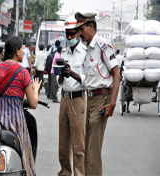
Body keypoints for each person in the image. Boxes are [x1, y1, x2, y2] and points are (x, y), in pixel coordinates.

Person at [66, 12, 120, 175]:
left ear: (91, 26)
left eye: (81, 29)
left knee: (93, 152)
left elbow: (117, 74)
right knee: (88, 148)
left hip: (102, 99)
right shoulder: (88, 49)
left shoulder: (102, 45)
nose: (80, 34)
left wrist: (112, 104)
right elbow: (89, 80)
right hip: (90, 99)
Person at [0, 36, 42, 176]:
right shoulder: (23, 73)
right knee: (26, 157)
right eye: (22, 48)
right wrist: (36, 89)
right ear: (16, 51)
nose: (23, 51)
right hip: (15, 123)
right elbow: (33, 104)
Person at [57, 15, 87, 176]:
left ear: (78, 34)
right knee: (63, 144)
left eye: (72, 34)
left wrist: (72, 73)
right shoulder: (64, 52)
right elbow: (60, 80)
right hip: (64, 98)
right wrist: (61, 75)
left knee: (78, 145)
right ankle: (65, 172)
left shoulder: (85, 52)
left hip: (77, 99)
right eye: (67, 34)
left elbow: (88, 80)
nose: (69, 37)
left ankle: (79, 174)